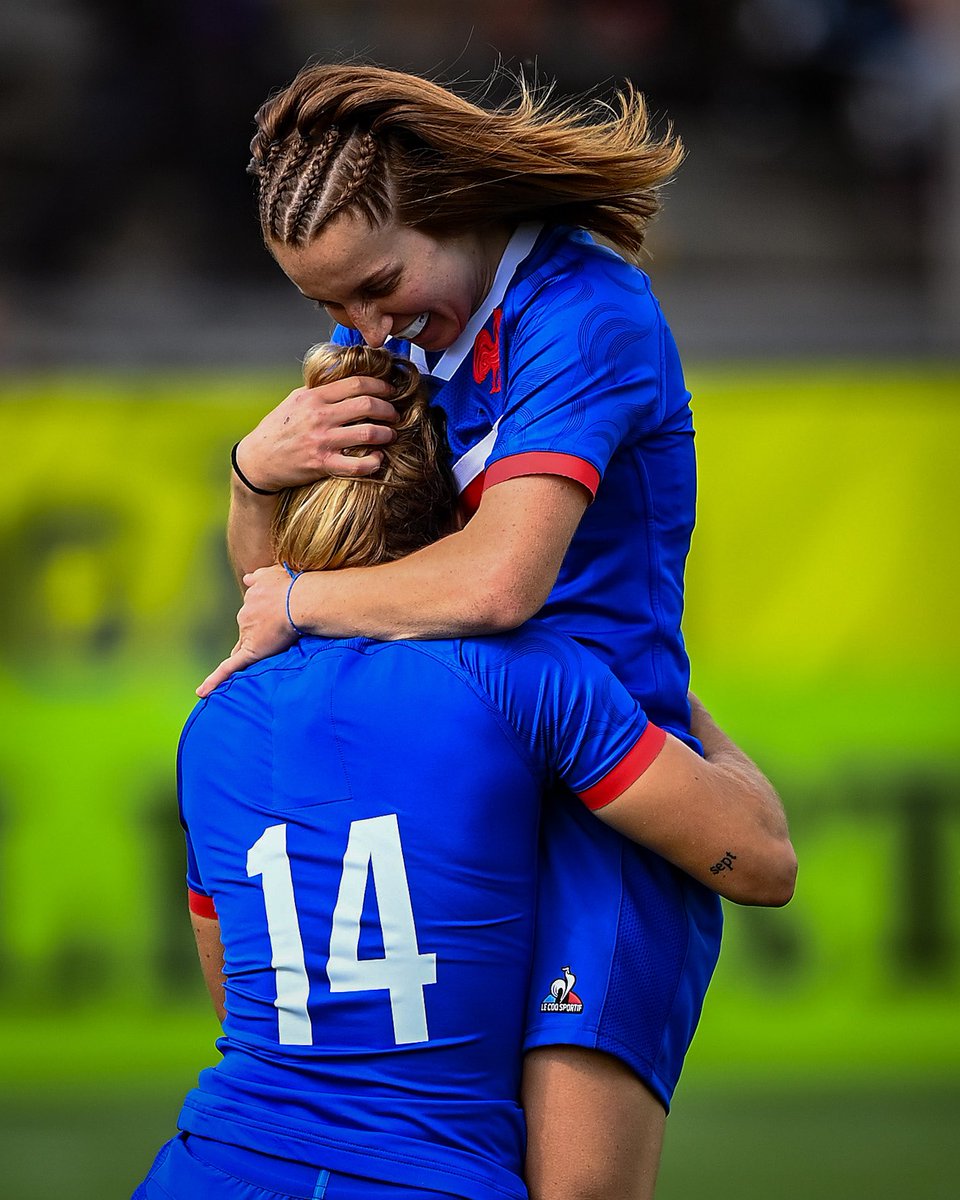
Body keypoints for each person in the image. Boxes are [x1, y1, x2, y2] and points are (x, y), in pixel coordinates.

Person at [201, 64, 757, 1199]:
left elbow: (500, 582)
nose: (365, 328)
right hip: (458, 792)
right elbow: (292, 620)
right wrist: (256, 477)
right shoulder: (415, 340)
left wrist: (298, 602)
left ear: (449, 209)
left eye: (377, 284)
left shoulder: (583, 313)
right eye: (330, 311)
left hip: (609, 804)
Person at [136, 343, 794, 1200]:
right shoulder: (526, 676)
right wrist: (676, 706)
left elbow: (239, 1001)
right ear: (461, 525)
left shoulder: (212, 722)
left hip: (207, 1166)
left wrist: (247, 482)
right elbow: (761, 864)